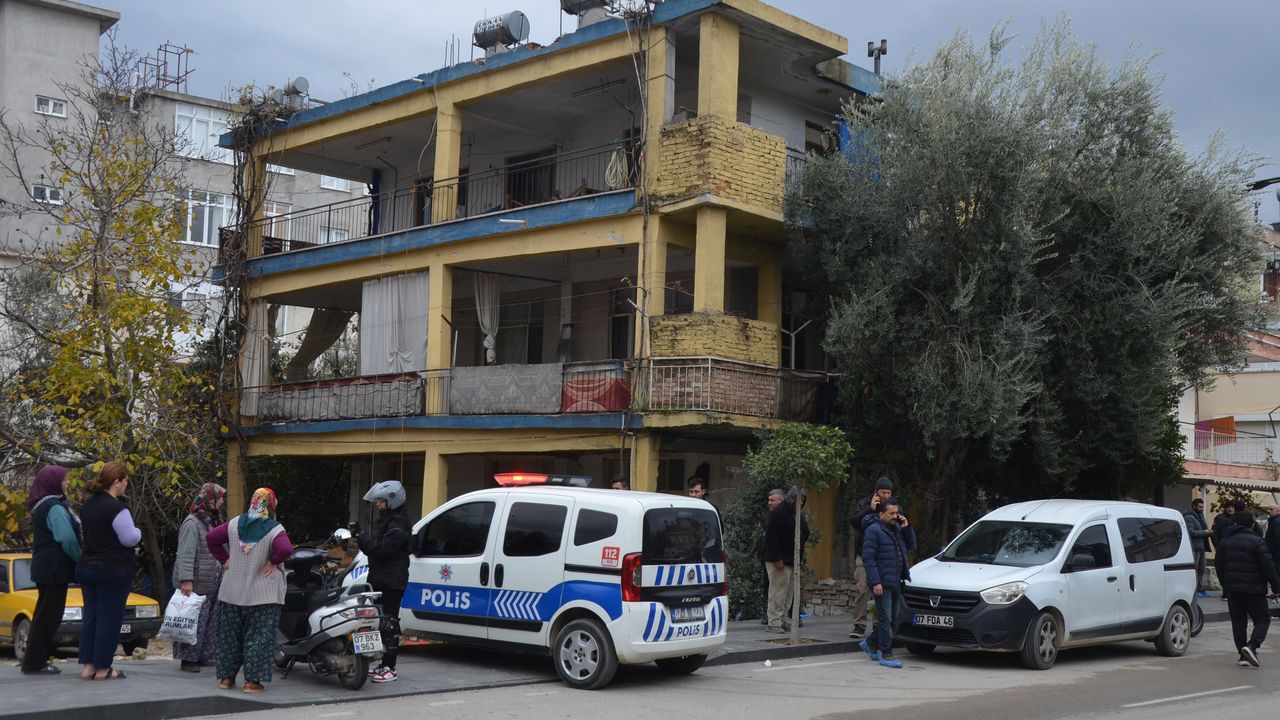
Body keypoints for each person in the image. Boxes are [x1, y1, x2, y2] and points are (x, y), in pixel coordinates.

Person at [207, 487, 293, 693]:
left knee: (229, 638)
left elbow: (211, 538)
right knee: (258, 639)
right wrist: (273, 562)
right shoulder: (274, 529)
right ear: (270, 504)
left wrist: (224, 560)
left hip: (231, 593)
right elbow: (286, 549)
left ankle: (227, 679)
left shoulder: (234, 524)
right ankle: (252, 682)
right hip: (263, 596)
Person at [76, 461, 141, 680]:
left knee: (91, 617)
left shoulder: (88, 505)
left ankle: (88, 667)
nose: (126, 485)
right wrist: (139, 532)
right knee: (109, 618)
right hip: (112, 568)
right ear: (116, 482)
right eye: (125, 481)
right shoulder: (117, 508)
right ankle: (103, 668)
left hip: (87, 566)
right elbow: (129, 538)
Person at [22, 465, 81, 675]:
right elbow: (66, 538)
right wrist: (80, 558)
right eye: (64, 479)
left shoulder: (42, 505)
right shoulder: (54, 507)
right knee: (49, 616)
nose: (67, 483)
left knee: (43, 614)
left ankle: (33, 660)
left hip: (45, 566)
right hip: (54, 568)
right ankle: (36, 662)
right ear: (53, 482)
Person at [357, 481, 411, 684]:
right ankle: (382, 663)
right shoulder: (386, 521)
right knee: (379, 622)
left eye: (381, 500)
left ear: (392, 501)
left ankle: (390, 667)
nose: (378, 504)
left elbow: (384, 549)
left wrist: (363, 538)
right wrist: (363, 539)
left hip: (392, 581)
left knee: (389, 623)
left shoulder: (399, 524)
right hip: (380, 578)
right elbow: (375, 548)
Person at [172, 483, 227, 672]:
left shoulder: (212, 521)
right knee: (194, 620)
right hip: (197, 581)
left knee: (209, 620)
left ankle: (203, 655)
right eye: (220, 498)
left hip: (212, 579)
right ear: (210, 499)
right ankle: (188, 658)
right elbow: (185, 553)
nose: (221, 502)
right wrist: (186, 580)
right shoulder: (192, 523)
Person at [1214, 510, 1280, 667]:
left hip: (1232, 589)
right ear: (1252, 524)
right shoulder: (1257, 541)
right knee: (1262, 619)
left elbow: (1218, 566)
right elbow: (1268, 567)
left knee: (1238, 622)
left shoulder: (1225, 542)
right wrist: (1276, 587)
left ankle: (1243, 656)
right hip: (1254, 590)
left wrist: (1225, 585)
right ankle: (1252, 646)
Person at [860, 497, 916, 669]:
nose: (895, 516)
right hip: (882, 582)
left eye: (896, 513)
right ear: (881, 514)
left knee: (893, 619)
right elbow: (868, 558)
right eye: (891, 513)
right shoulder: (873, 530)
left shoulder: (897, 529)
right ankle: (887, 654)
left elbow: (912, 545)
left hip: (896, 580)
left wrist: (906, 527)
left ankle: (870, 643)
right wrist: (875, 581)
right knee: (885, 619)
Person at [848, 476, 894, 639]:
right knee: (862, 588)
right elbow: (854, 522)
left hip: (883, 557)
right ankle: (859, 625)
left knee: (880, 591)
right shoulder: (864, 503)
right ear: (876, 491)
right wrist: (870, 509)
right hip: (864, 554)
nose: (886, 496)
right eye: (883, 492)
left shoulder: (892, 507)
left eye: (888, 492)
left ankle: (877, 624)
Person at [762, 487, 809, 633]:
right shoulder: (779, 513)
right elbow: (771, 536)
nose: (801, 503)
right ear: (791, 499)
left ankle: (781, 620)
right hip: (779, 561)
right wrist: (777, 557)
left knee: (788, 593)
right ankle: (774, 622)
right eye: (798, 500)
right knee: (778, 592)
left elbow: (805, 532)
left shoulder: (797, 515)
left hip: (791, 560)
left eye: (803, 501)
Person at [756, 489, 785, 624]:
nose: (769, 503)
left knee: (780, 588)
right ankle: (769, 614)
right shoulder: (769, 515)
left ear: (781, 501)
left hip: (781, 558)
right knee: (769, 586)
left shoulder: (788, 516)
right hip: (768, 555)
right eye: (769, 500)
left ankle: (782, 616)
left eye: (772, 500)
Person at [1183, 498, 1211, 597]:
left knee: (1201, 569)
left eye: (1203, 507)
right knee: (1194, 569)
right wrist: (1205, 532)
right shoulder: (1188, 517)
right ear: (1194, 506)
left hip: (1201, 546)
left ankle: (1200, 588)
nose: (1202, 509)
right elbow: (1190, 532)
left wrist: (1207, 531)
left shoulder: (1200, 516)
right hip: (1194, 547)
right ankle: (1193, 590)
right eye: (1200, 507)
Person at [1267, 506, 1280, 578]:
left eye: (1271, 509)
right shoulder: (1274, 521)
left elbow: (1277, 539)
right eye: (1268, 509)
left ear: (1278, 511)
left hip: (1276, 555)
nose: (1268, 511)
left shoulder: (1277, 522)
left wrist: (1270, 550)